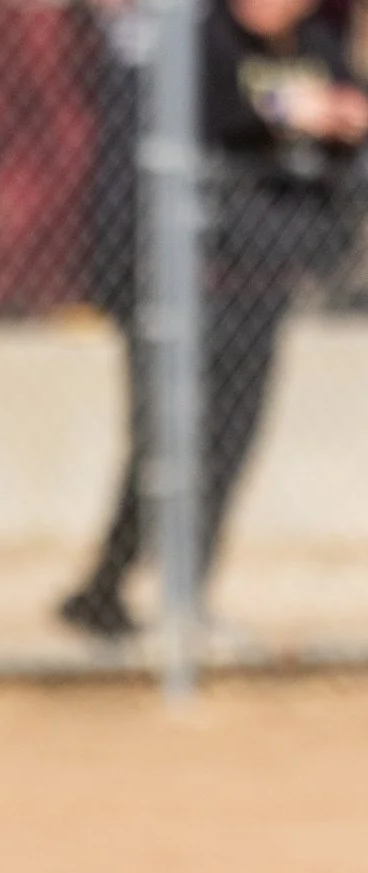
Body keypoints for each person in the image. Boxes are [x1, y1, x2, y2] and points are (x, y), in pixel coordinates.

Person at [57, 0, 366, 644]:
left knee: (230, 442)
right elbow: (194, 112)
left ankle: (187, 598)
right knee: (162, 443)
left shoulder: (316, 46)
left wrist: (341, 115)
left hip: (265, 276)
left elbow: (348, 109)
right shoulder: (202, 39)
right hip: (181, 283)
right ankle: (106, 586)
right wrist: (286, 110)